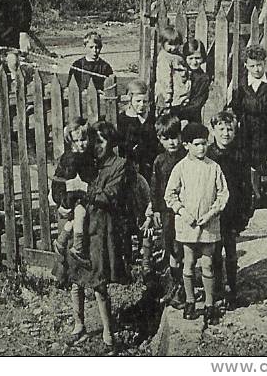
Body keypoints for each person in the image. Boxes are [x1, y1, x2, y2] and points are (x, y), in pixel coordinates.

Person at [60, 121, 130, 353]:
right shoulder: (85, 161)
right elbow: (64, 188)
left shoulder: (119, 165)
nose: (96, 145)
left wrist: (82, 190)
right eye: (94, 141)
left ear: (111, 142)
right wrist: (64, 199)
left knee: (99, 284)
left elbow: (111, 195)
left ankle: (109, 334)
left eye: (102, 141)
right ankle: (79, 324)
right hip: (82, 226)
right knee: (75, 278)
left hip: (101, 228)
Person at [164, 121, 229, 327]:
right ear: (187, 146)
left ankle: (210, 305)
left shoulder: (214, 167)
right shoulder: (180, 168)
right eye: (197, 144)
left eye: (204, 144)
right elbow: (170, 195)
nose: (201, 148)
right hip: (188, 225)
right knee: (189, 262)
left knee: (208, 264)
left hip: (209, 224)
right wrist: (183, 212)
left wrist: (212, 212)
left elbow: (223, 193)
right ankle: (191, 301)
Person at [207, 110, 252, 309]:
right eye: (221, 129)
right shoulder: (207, 155)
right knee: (214, 253)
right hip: (213, 213)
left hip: (232, 213)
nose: (226, 133)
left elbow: (246, 187)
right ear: (213, 130)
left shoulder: (239, 155)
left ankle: (233, 290)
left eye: (230, 129)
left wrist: (244, 214)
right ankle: (216, 290)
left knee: (231, 253)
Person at [230, 44, 267, 207]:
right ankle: (256, 195)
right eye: (252, 65)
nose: (257, 69)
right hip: (248, 129)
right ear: (246, 65)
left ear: (265, 63)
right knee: (251, 162)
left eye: (259, 65)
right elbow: (237, 108)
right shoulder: (242, 86)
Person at [146, 112, 187, 305]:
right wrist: (155, 210)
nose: (172, 142)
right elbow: (155, 187)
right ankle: (176, 285)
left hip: (185, 210)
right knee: (171, 247)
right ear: (160, 139)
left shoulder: (187, 158)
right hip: (167, 212)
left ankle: (185, 286)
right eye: (166, 138)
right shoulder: (159, 161)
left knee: (185, 247)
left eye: (175, 137)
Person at [51, 118, 96, 268]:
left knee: (73, 218)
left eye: (83, 140)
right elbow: (73, 180)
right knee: (80, 212)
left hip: (69, 190)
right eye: (75, 141)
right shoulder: (73, 157)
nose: (80, 144)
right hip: (67, 192)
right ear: (70, 142)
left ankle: (61, 241)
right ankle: (78, 247)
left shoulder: (82, 154)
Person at [117, 78, 157, 184]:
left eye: (145, 101)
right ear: (130, 100)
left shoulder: (152, 119)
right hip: (129, 163)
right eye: (138, 101)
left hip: (149, 163)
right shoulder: (122, 120)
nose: (142, 105)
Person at [155, 24, 191, 117]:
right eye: (170, 44)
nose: (174, 48)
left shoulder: (177, 56)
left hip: (179, 96)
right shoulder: (165, 58)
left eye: (176, 44)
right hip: (170, 97)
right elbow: (165, 79)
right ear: (163, 43)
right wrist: (167, 98)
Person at [176, 39, 211, 124]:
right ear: (185, 58)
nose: (194, 62)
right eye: (190, 58)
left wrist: (177, 112)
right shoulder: (179, 72)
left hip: (191, 117)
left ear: (203, 58)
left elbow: (197, 104)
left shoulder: (203, 78)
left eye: (198, 58)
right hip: (174, 115)